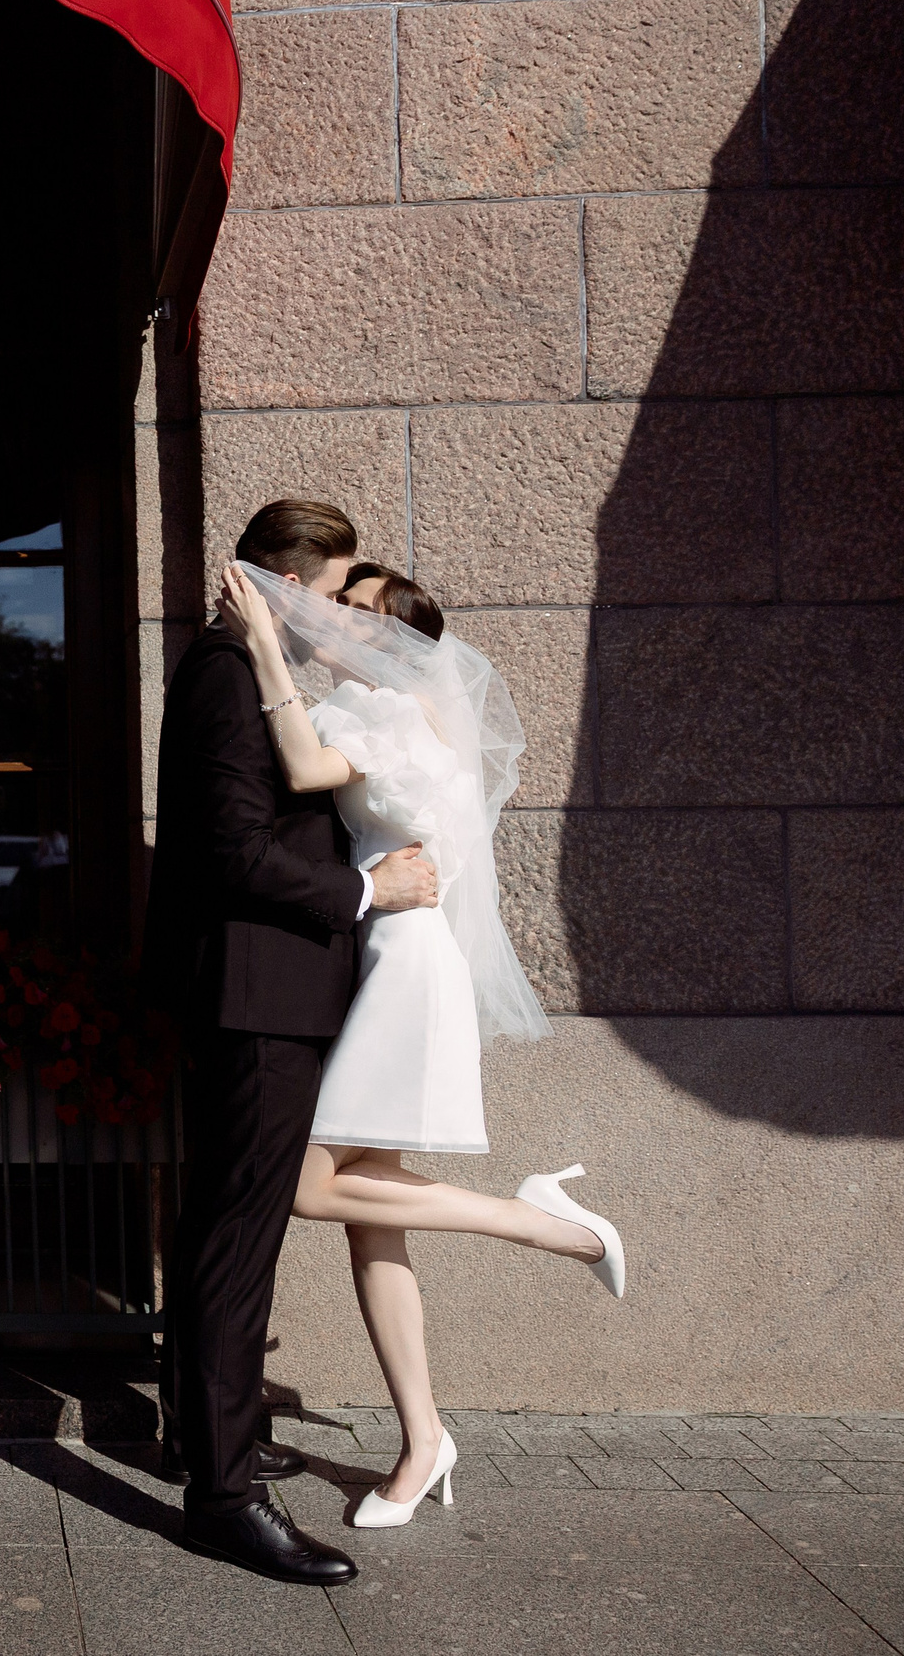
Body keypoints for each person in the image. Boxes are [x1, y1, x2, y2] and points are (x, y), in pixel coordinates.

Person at [214, 555, 628, 1530]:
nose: (342, 622)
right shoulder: (384, 710)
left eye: (361, 613)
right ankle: (423, 1437)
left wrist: (266, 645)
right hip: (388, 956)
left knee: (311, 1184)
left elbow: (310, 770)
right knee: (373, 1217)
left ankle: (544, 1223)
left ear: (398, 639)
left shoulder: (386, 713)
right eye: (339, 607)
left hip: (404, 964)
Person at [141, 499, 440, 1587]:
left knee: (233, 1230)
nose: (335, 617)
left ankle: (206, 1434)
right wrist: (366, 887)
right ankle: (223, 1498)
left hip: (263, 998)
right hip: (255, 1000)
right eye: (327, 594)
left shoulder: (245, 664)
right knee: (233, 1239)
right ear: (278, 584)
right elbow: (230, 853)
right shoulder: (226, 673)